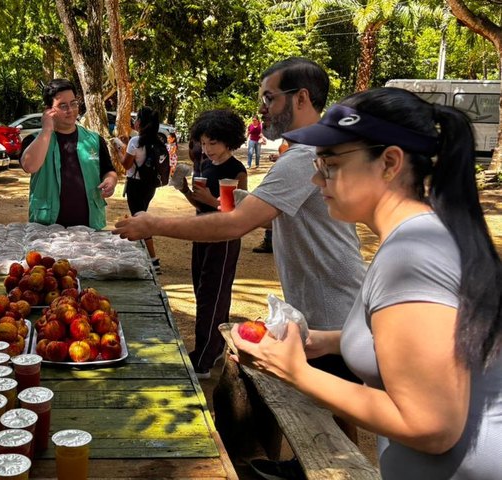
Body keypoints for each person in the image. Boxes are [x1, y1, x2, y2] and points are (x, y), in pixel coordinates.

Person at [231, 87, 502, 479]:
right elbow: (434, 339)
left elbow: (432, 426)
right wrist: (325, 341)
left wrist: (297, 374)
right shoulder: (419, 237)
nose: (315, 177)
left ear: (390, 162)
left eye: (329, 164)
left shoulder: (414, 254)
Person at [113, 57, 366, 385]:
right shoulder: (305, 151)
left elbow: (235, 225)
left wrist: (153, 224)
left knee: (326, 409)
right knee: (330, 410)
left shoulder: (304, 157)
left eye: (269, 97)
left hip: (332, 311)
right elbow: (269, 217)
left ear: (301, 98)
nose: (262, 108)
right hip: (323, 308)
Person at [177, 110, 247, 378]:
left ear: (229, 141)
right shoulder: (206, 166)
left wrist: (207, 199)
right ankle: (215, 347)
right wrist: (184, 189)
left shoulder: (236, 170)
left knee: (212, 297)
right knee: (202, 291)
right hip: (202, 235)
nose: (207, 150)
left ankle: (203, 360)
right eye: (203, 143)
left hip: (224, 238)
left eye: (213, 143)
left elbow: (235, 211)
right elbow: (200, 204)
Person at [20, 79, 118, 230]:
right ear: (48, 110)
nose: (70, 110)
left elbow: (108, 170)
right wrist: (47, 130)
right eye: (63, 106)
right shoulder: (35, 140)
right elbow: (30, 166)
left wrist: (111, 180)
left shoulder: (94, 140)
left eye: (73, 103)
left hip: (89, 225)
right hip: (47, 227)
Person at [121, 106, 165, 273]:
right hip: (149, 186)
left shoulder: (135, 142)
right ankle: (143, 256)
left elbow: (126, 164)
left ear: (139, 122)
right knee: (140, 215)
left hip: (135, 185)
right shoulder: (156, 141)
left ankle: (153, 260)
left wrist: (119, 149)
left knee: (139, 220)